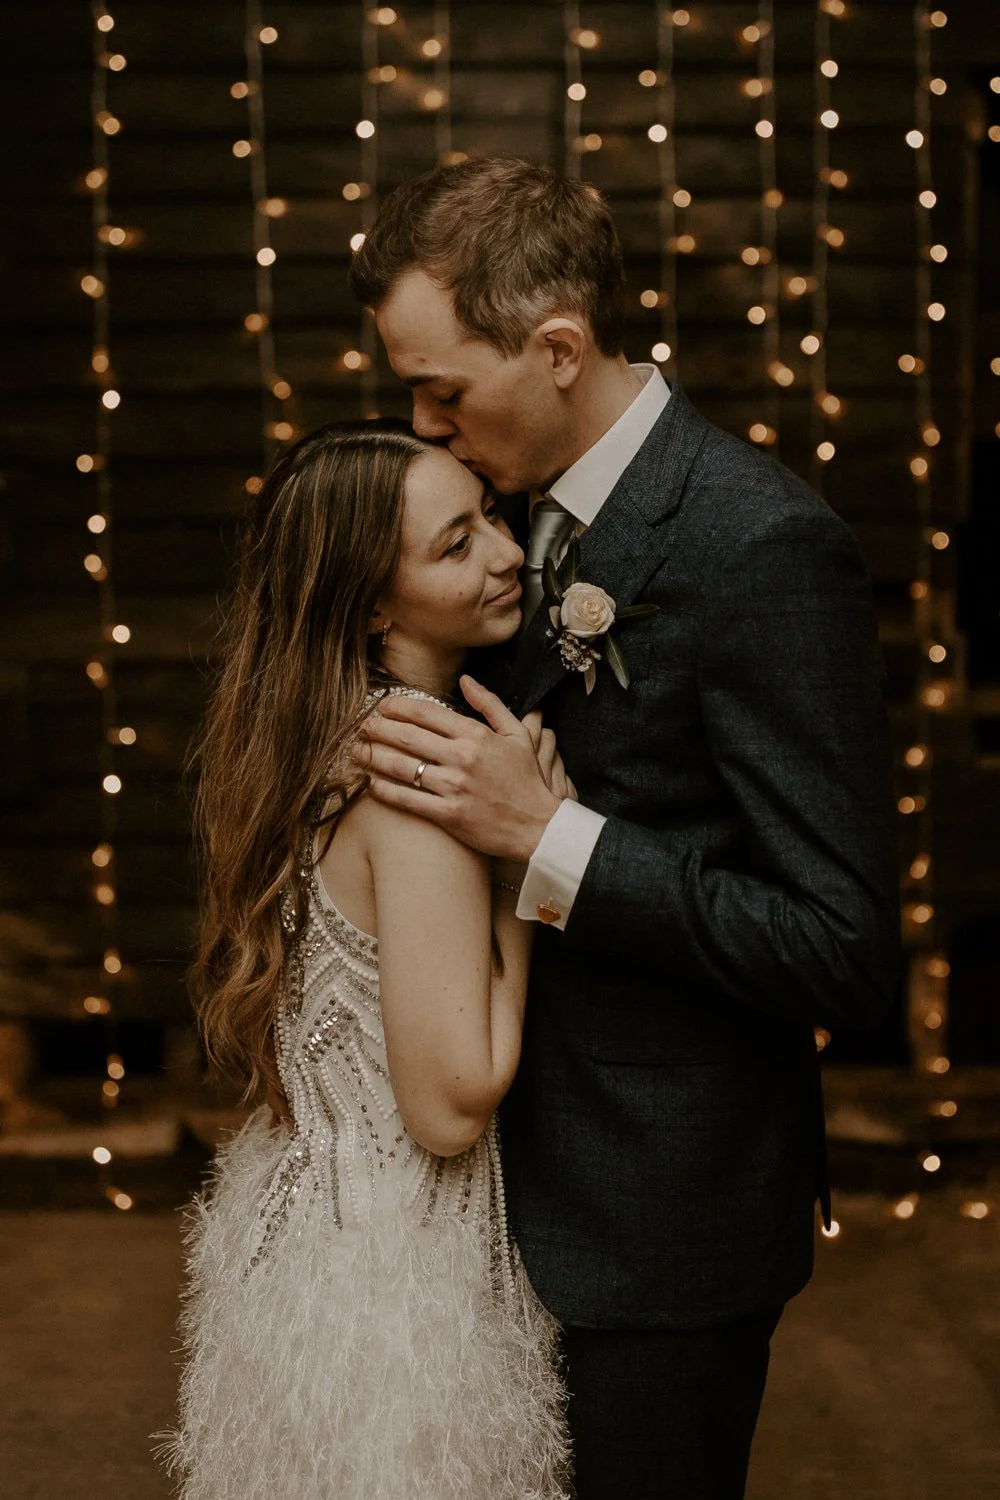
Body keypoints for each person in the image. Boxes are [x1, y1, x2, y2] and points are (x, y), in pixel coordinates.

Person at [350, 156, 901, 1499]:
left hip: (660, 1231)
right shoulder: (512, 510)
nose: (423, 425)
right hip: (492, 1205)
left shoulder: (757, 544)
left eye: (446, 390)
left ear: (556, 348)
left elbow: (843, 946)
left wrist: (555, 841)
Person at [157, 420, 573, 1499]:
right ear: (373, 605)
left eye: (487, 514)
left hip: (299, 1244)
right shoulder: (419, 781)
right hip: (395, 1283)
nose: (502, 554)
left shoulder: (315, 735)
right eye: (453, 544)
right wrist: (531, 874)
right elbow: (449, 1104)